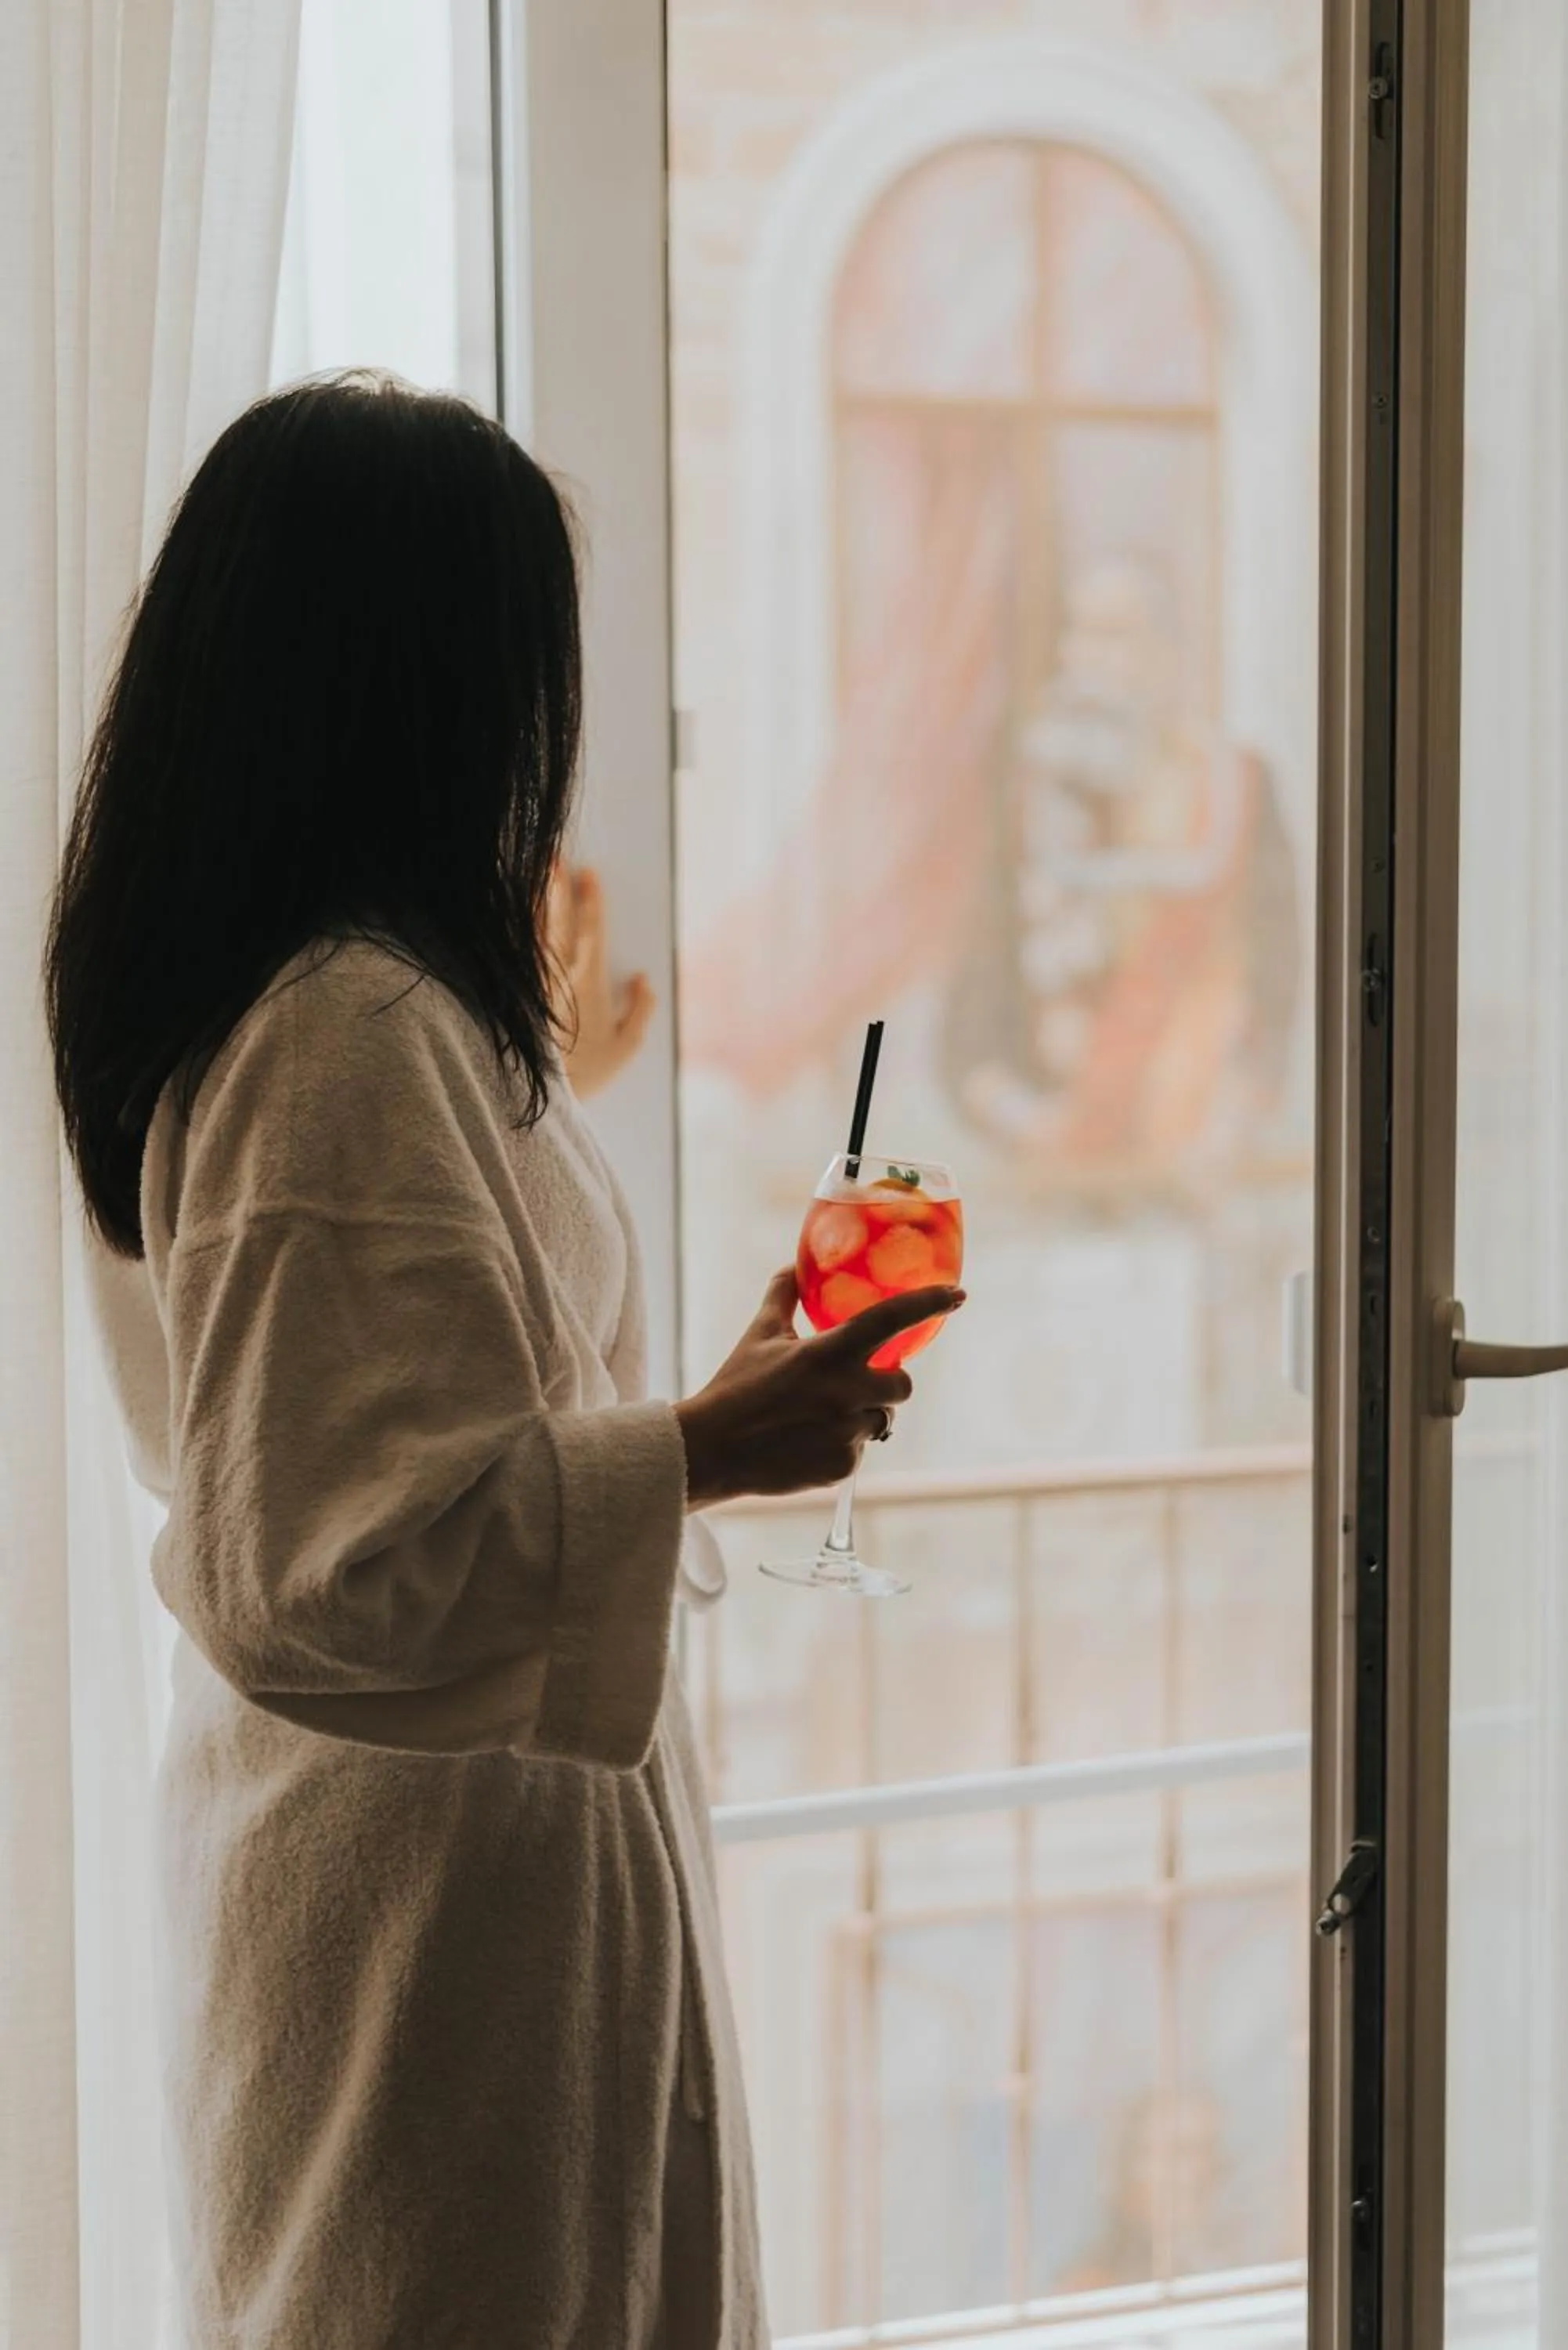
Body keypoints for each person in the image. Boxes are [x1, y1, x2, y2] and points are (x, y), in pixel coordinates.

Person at [45, 372, 963, 2350]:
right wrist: (704, 1451)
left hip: (416, 1867)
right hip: (427, 1914)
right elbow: (331, 1565)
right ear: (428, 680)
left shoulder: (285, 994)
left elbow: (381, 1436)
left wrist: (703, 1409)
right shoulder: (342, 1033)